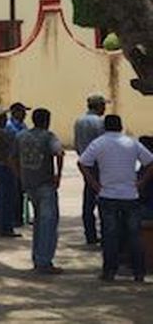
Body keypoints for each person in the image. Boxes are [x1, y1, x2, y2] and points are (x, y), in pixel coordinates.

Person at [77, 115, 153, 282]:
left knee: (109, 234)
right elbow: (150, 162)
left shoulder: (99, 143)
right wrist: (141, 182)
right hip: (130, 195)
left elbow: (82, 163)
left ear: (105, 127)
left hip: (108, 195)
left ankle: (109, 271)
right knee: (134, 234)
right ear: (120, 126)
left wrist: (94, 184)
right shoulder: (131, 143)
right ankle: (138, 272)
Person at [16, 107, 64, 274]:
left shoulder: (21, 136)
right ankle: (44, 261)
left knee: (38, 223)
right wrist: (58, 175)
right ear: (47, 121)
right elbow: (59, 152)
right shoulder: (48, 136)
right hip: (45, 183)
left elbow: (11, 157)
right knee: (48, 223)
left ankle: (38, 258)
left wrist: (20, 174)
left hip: (29, 184)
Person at [73, 93, 107, 246]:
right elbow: (104, 144)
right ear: (99, 106)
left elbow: (76, 143)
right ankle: (106, 233)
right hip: (99, 164)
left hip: (85, 162)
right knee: (103, 199)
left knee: (88, 199)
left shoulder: (79, 121)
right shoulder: (99, 122)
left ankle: (90, 234)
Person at [0, 105, 21, 238]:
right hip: (7, 166)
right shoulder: (4, 133)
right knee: (8, 198)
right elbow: (13, 148)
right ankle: (6, 227)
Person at [7, 102, 30, 227]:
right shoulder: (10, 127)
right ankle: (14, 218)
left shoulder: (22, 125)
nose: (25, 114)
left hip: (23, 162)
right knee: (14, 192)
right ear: (15, 112)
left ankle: (20, 217)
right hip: (14, 162)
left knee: (21, 191)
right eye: (22, 111)